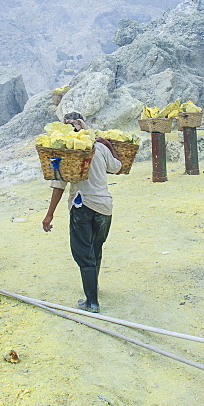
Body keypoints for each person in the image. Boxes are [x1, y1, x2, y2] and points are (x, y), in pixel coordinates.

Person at [41, 111, 121, 313]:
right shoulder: (100, 147)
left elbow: (58, 185)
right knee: (96, 248)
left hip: (82, 207)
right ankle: (94, 290)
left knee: (83, 254)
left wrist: (49, 215)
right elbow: (117, 167)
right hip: (105, 207)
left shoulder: (66, 152)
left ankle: (91, 302)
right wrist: (109, 145)